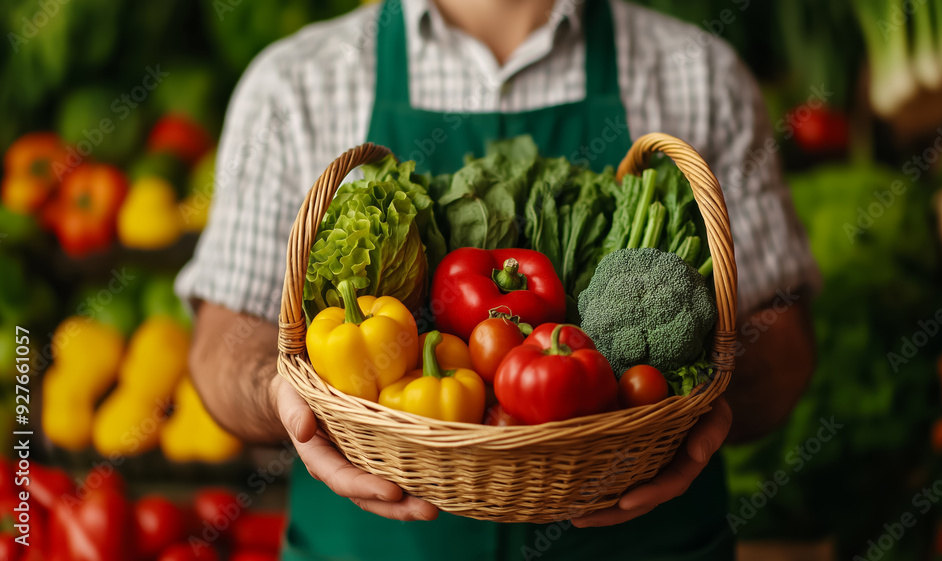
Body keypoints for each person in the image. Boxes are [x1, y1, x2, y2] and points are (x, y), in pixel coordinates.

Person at [177, 0, 819, 559]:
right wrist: (284, 395)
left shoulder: (700, 74)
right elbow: (220, 348)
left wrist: (709, 396)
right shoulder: (293, 84)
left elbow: (781, 340)